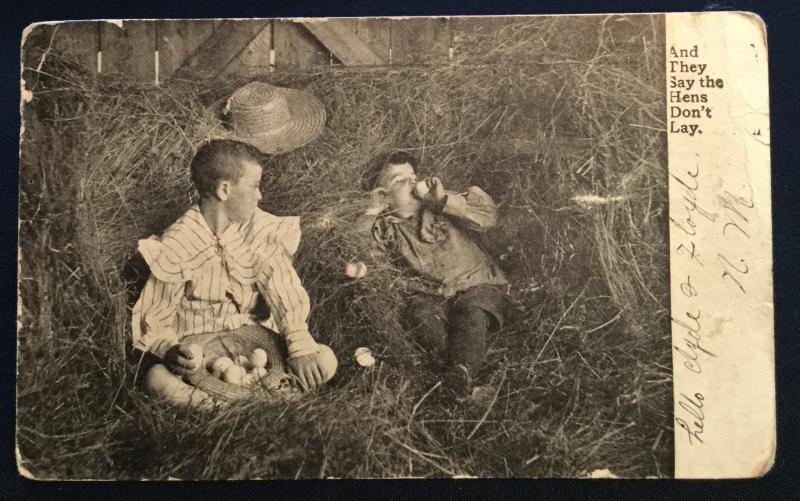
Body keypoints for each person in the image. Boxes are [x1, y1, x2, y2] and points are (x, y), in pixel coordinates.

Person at [132, 139, 337, 407]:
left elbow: (282, 287)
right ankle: (232, 406)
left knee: (325, 358)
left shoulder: (258, 228)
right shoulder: (177, 244)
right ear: (225, 190)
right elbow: (156, 316)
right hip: (203, 358)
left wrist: (299, 345)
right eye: (254, 186)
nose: (259, 196)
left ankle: (238, 403)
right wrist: (170, 350)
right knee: (157, 379)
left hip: (257, 344)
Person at [362, 151, 511, 396]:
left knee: (472, 314)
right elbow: (366, 254)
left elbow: (489, 217)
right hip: (431, 293)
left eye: (413, 176)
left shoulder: (439, 204)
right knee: (422, 319)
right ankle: (453, 373)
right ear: (383, 196)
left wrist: (444, 200)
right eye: (400, 180)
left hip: (476, 282)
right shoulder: (386, 229)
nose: (412, 183)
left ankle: (462, 372)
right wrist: (371, 210)